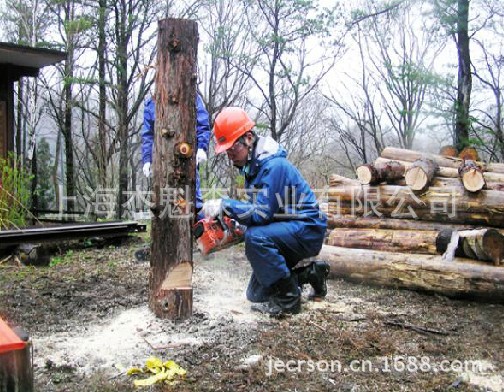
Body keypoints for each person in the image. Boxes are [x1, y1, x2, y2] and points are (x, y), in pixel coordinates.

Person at [202, 107, 329, 316]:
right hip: (288, 229)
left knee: (256, 238)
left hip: (306, 228)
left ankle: (289, 301)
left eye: (233, 149)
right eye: (227, 152)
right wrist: (235, 225)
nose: (230, 156)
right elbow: (262, 212)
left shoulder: (274, 166)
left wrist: (226, 205)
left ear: (249, 138)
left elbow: (261, 213)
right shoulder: (255, 168)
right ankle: (311, 274)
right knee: (256, 294)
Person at [141, 94, 210, 219]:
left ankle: (201, 231)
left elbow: (203, 122)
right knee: (165, 201)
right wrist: (147, 160)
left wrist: (202, 147)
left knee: (194, 199)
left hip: (186, 158)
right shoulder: (150, 103)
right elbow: (148, 135)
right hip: (162, 161)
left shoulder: (190, 95)